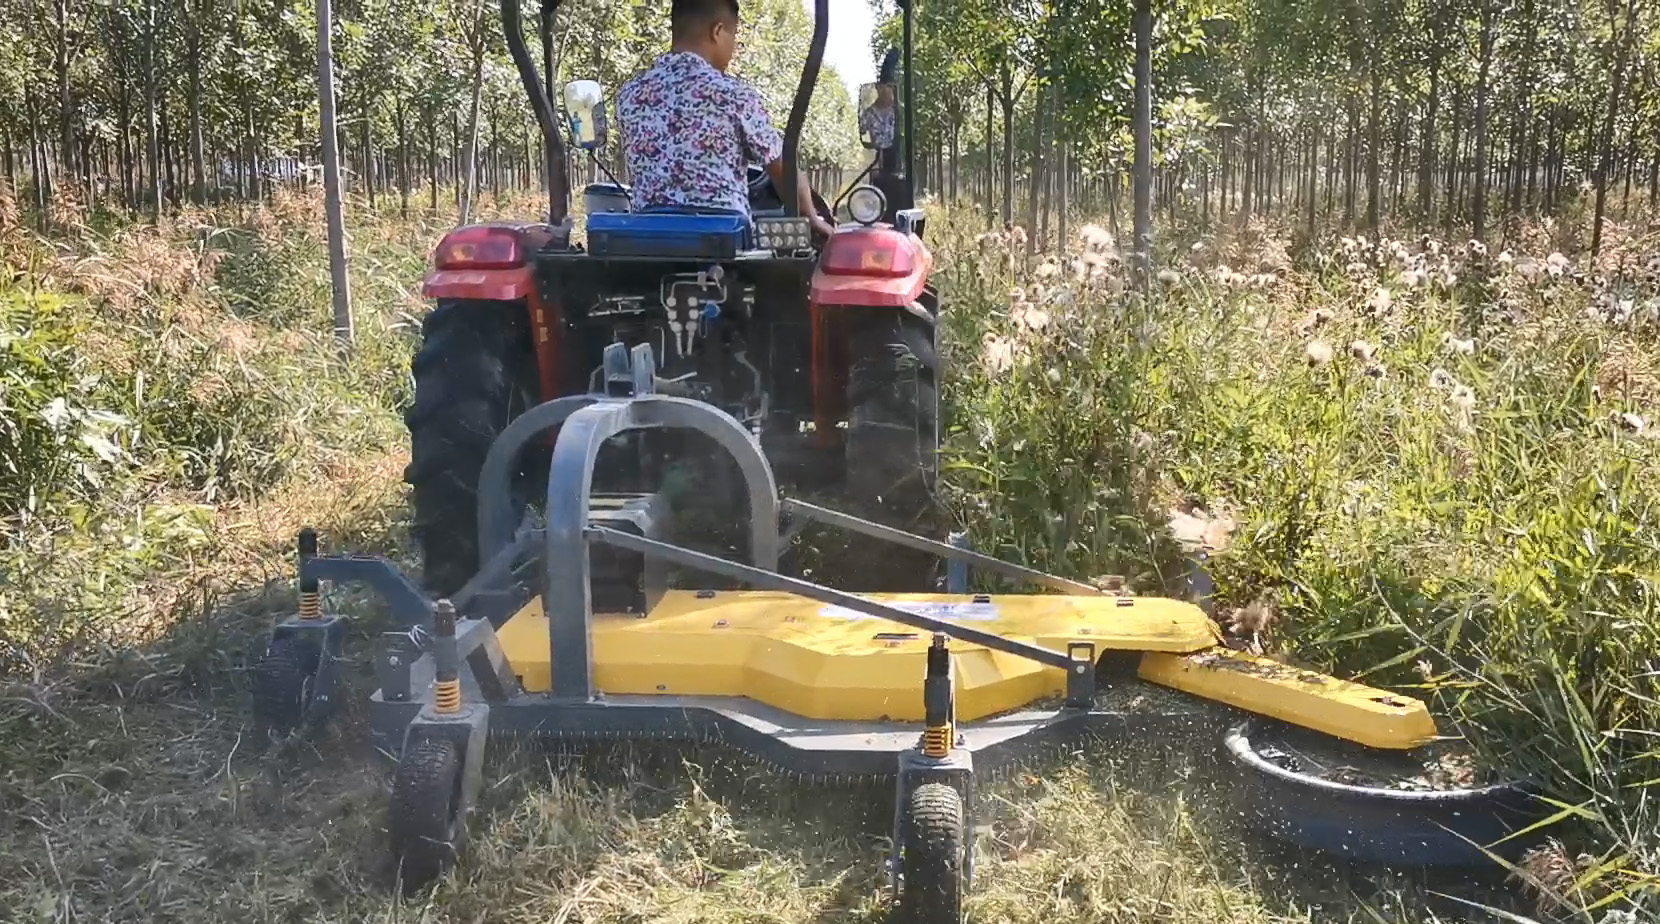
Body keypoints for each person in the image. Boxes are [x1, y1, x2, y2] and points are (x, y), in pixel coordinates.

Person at [615, 0, 835, 240]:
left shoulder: (630, 94)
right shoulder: (733, 95)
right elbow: (782, 168)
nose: (734, 48)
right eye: (734, 36)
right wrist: (811, 217)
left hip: (647, 241)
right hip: (723, 242)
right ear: (718, 32)